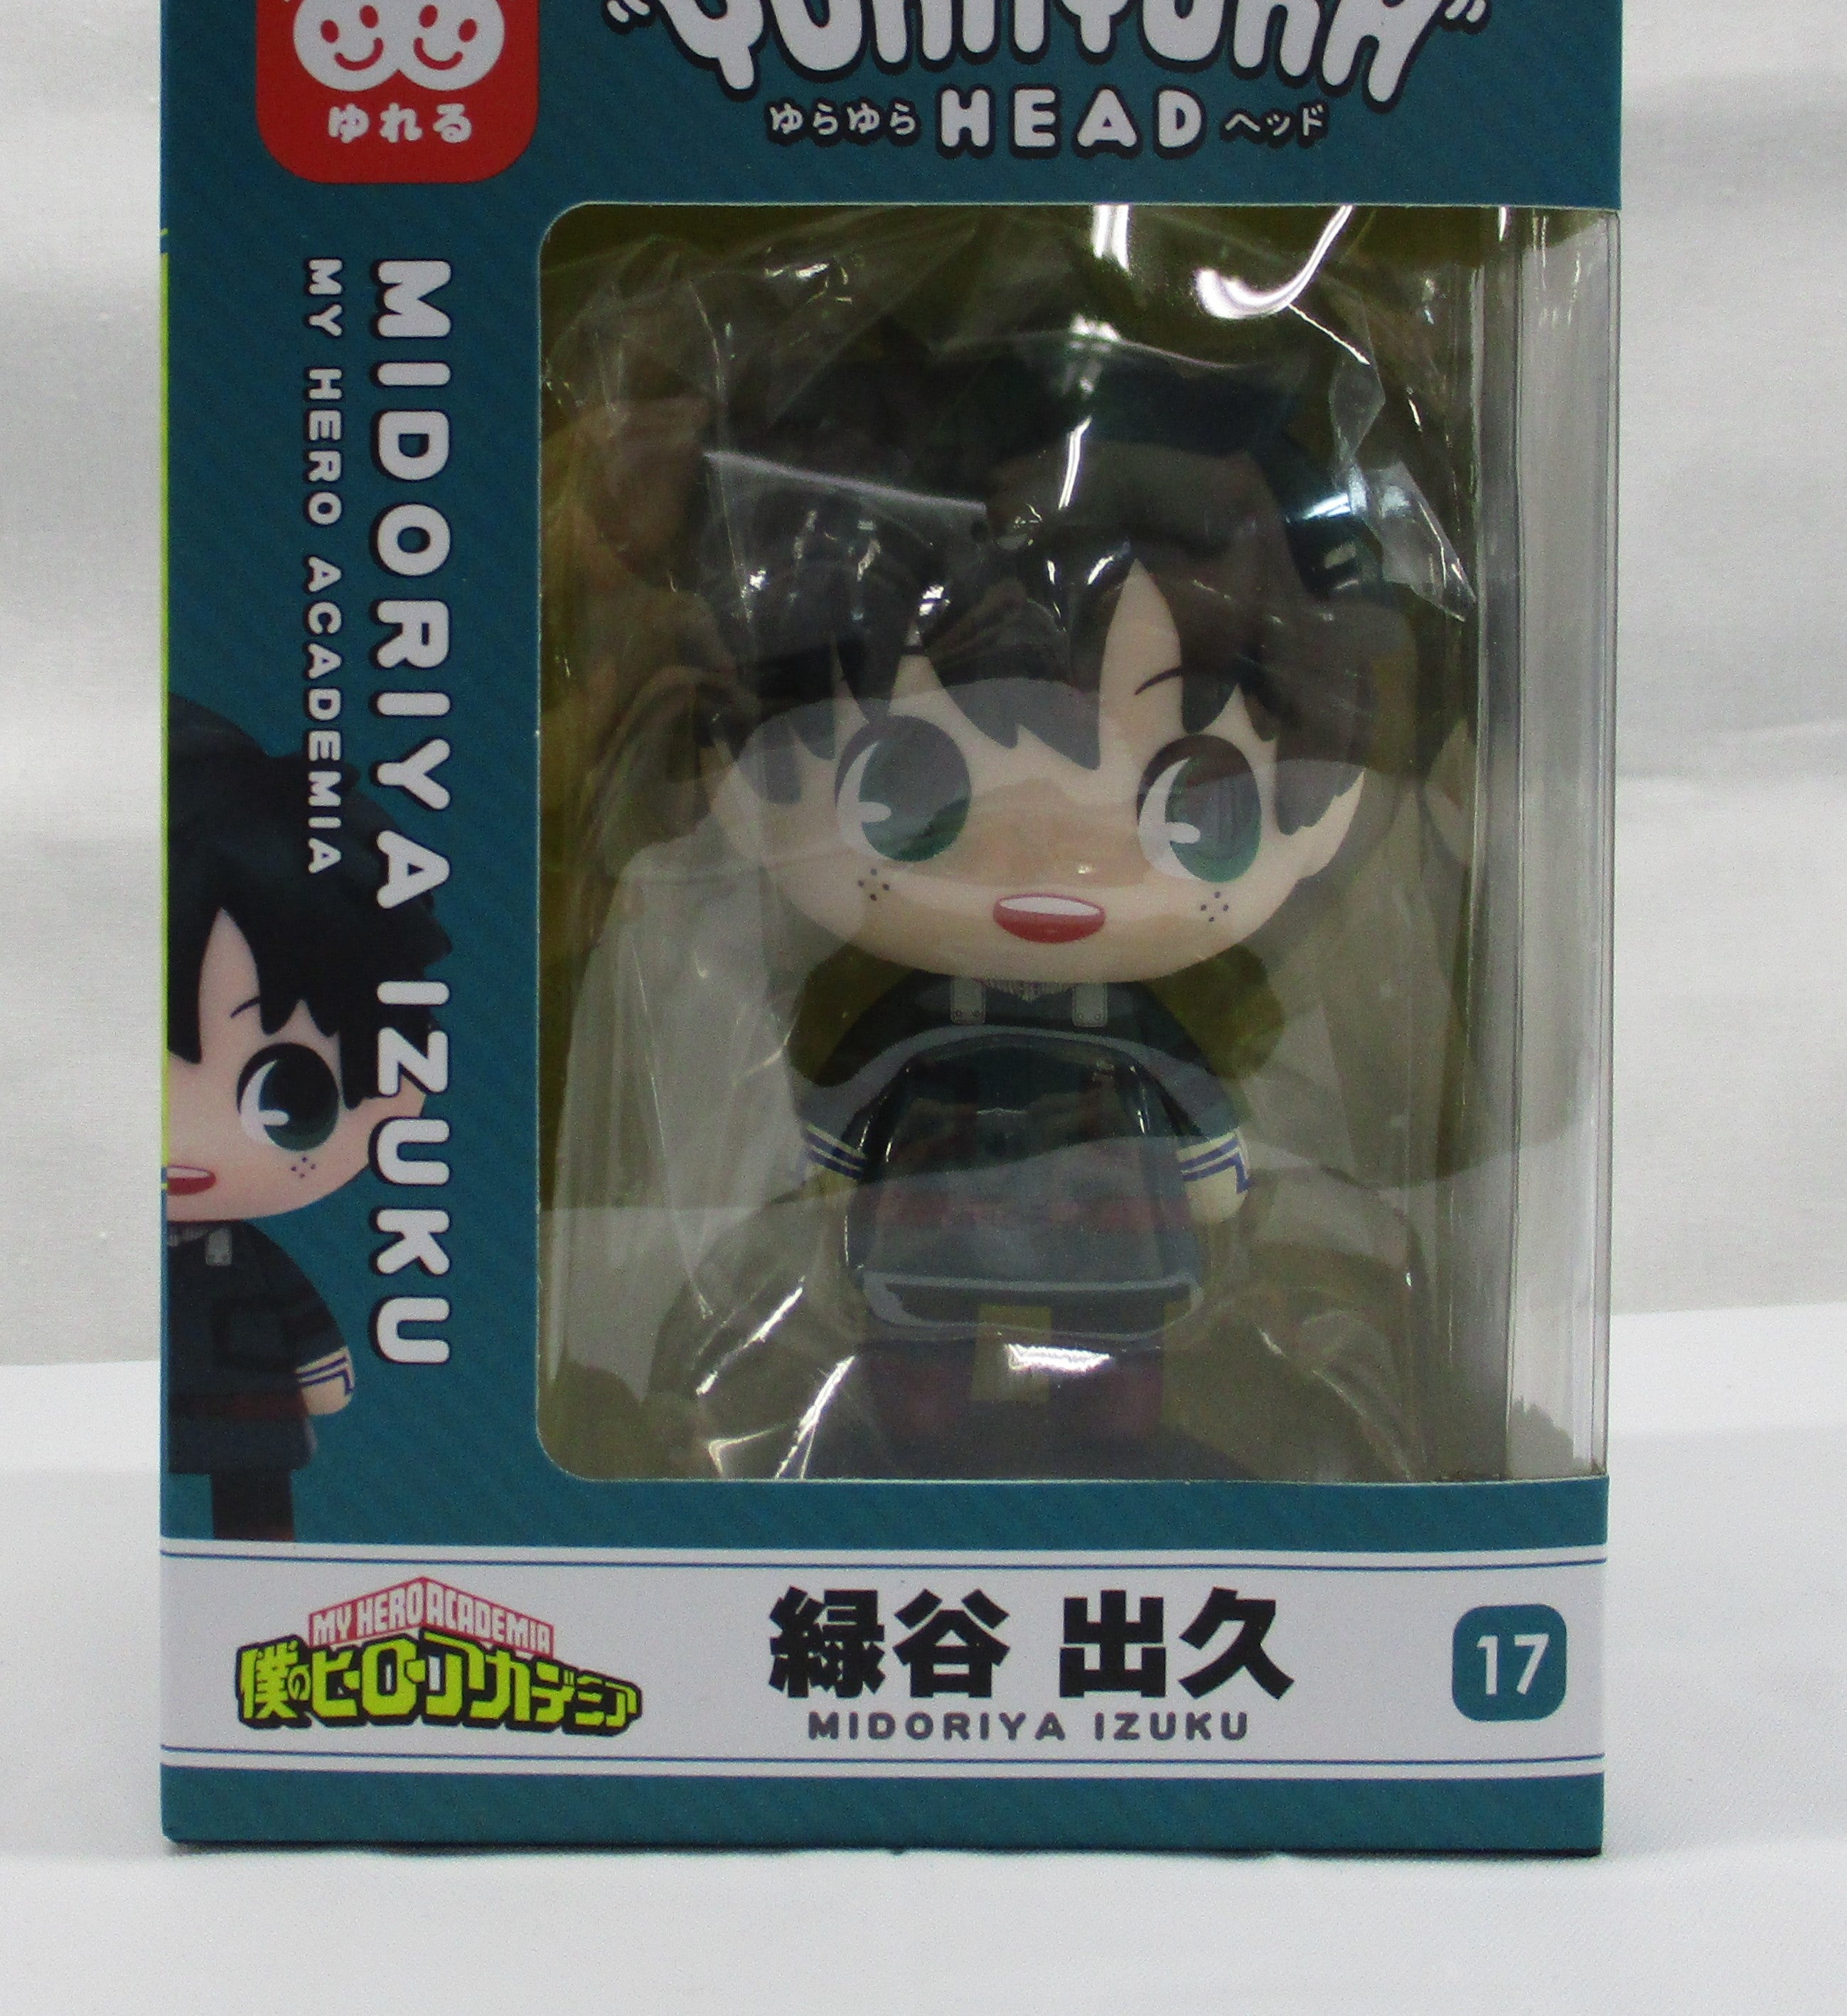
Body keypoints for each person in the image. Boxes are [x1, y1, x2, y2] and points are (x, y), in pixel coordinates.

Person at [631, 333, 1415, 1479]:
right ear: (740, 770)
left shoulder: (1124, 1034)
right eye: (905, 794)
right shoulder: (915, 1021)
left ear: (1324, 798)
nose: (1051, 861)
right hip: (936, 1218)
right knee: (918, 1340)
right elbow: (849, 1106)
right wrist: (832, 1167)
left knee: (1118, 1344)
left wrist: (1209, 1183)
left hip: (1103, 1229)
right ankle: (914, 1429)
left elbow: (1189, 1110)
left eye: (1192, 809)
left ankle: (1108, 1435)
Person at [165, 698, 448, 1537]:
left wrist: (321, 1369)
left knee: (255, 1515)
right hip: (127, 1411)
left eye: (289, 1094)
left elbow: (300, 1318)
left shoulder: (242, 1257)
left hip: (247, 1405)